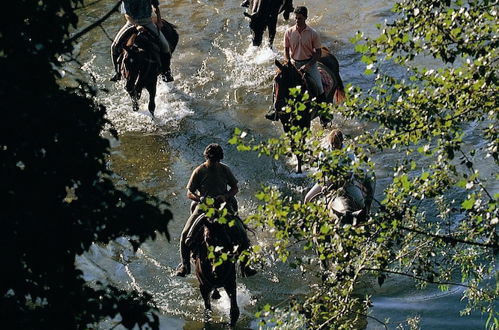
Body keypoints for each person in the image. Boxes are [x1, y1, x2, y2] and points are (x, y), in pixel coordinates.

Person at [175, 144, 257, 277]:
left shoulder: (225, 169)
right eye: (211, 160)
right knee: (185, 234)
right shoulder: (199, 171)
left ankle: (245, 266)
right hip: (204, 208)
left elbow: (235, 188)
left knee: (242, 234)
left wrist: (225, 196)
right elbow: (189, 193)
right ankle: (185, 266)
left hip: (223, 207)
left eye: (216, 160)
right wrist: (200, 198)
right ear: (207, 157)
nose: (214, 163)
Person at [266, 5, 324, 121]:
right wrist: (288, 61)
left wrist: (307, 66)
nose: (297, 21)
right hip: (293, 63)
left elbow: (318, 53)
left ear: (306, 18)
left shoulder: (313, 34)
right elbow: (286, 49)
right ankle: (275, 111)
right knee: (277, 82)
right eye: (296, 18)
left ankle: (324, 113)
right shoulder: (289, 32)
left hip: (309, 64)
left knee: (319, 86)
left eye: (300, 18)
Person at [110, 0, 174, 83]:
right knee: (114, 47)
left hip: (147, 22)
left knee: (165, 46)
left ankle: (166, 72)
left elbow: (155, 7)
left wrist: (159, 21)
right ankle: (117, 73)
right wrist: (137, 25)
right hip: (131, 23)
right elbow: (127, 15)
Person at [304, 129, 365, 210]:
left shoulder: (349, 153)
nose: (333, 146)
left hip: (346, 183)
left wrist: (342, 186)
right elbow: (322, 172)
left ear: (341, 141)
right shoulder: (324, 153)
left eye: (336, 143)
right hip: (328, 181)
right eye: (332, 143)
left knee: (361, 202)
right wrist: (324, 186)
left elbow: (349, 174)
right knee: (307, 199)